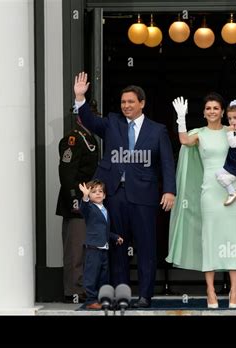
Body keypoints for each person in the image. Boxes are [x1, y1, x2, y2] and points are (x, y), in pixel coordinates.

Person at [73, 72, 176, 308]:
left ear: (142, 103)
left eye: (131, 102)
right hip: (115, 195)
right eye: (123, 102)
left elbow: (167, 163)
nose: (126, 106)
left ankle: (145, 296)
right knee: (118, 247)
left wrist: (169, 190)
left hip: (145, 196)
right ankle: (121, 295)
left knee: (146, 246)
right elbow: (88, 120)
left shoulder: (157, 130)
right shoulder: (112, 122)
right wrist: (80, 98)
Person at [166, 93, 236, 309]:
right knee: (209, 238)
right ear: (204, 112)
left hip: (232, 190)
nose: (212, 111)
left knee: (232, 239)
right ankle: (210, 290)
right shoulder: (199, 134)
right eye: (208, 108)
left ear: (223, 112)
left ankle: (234, 289)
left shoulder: (233, 130)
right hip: (209, 192)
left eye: (216, 108)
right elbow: (184, 141)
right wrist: (181, 118)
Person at [56, 107, 99, 303]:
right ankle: (73, 290)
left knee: (85, 246)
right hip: (76, 200)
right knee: (75, 247)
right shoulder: (73, 139)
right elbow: (66, 172)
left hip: (88, 199)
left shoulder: (90, 138)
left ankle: (83, 286)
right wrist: (74, 198)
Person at [78, 180, 123, 309]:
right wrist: (85, 196)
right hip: (93, 248)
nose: (97, 193)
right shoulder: (89, 208)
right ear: (90, 196)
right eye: (94, 192)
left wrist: (115, 237)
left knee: (103, 276)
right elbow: (83, 208)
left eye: (100, 191)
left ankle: (102, 299)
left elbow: (105, 230)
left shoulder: (105, 210)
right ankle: (90, 301)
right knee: (91, 276)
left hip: (104, 248)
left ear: (104, 195)